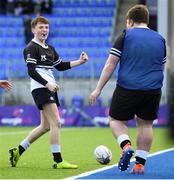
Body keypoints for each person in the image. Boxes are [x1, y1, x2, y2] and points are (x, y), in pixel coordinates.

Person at [90, 5, 166, 174]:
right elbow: (161, 66)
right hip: (153, 89)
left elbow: (110, 64)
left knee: (115, 120)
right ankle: (139, 164)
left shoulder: (126, 35)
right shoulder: (160, 39)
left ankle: (126, 146)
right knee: (146, 125)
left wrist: (98, 89)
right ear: (146, 20)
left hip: (128, 87)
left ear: (130, 21)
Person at [9, 16, 88, 169]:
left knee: (45, 126)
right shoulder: (31, 48)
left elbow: (60, 66)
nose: (44, 30)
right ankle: (58, 161)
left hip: (48, 87)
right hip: (41, 88)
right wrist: (47, 84)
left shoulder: (50, 48)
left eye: (46, 27)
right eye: (41, 27)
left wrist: (80, 62)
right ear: (33, 30)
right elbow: (31, 71)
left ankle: (18, 151)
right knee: (56, 123)